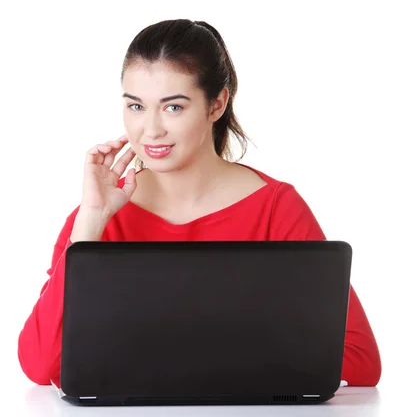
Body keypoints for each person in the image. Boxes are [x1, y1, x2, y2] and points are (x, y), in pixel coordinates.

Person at [17, 19, 382, 389]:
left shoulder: (276, 207)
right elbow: (41, 363)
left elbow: (359, 360)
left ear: (216, 104)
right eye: (136, 106)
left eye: (173, 107)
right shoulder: (98, 217)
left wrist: (152, 359)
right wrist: (91, 221)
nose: (151, 129)